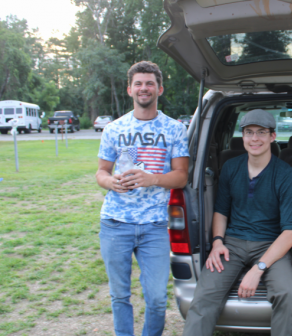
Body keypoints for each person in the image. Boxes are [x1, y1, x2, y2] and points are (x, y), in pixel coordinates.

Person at [182, 109, 292, 336]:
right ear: (242, 136)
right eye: (249, 132)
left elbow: (290, 233)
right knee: (204, 296)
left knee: (286, 294)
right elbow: (221, 211)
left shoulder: (286, 174)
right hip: (232, 244)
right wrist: (217, 242)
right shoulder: (230, 168)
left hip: (271, 245)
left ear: (272, 137)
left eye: (261, 132)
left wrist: (258, 269)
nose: (254, 138)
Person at [95, 61, 189, 336]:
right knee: (119, 295)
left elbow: (181, 176)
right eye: (138, 83)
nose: (144, 88)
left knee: (158, 298)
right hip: (115, 222)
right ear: (129, 89)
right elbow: (101, 172)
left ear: (159, 89)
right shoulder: (113, 128)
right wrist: (110, 182)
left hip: (156, 225)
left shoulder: (175, 129)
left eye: (149, 83)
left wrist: (153, 178)